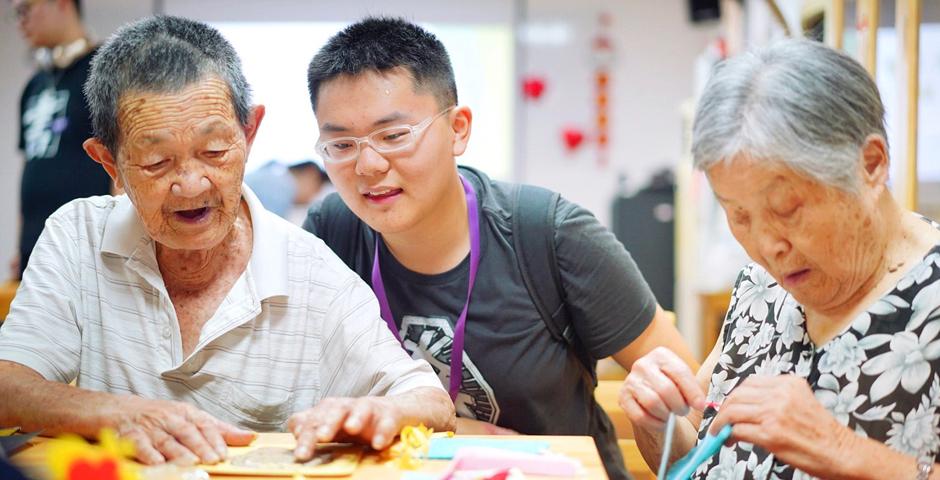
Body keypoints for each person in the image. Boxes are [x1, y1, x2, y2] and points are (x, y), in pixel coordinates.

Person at [0, 15, 454, 466]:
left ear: (250, 133)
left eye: (215, 152)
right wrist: (109, 413)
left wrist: (375, 412)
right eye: (157, 161)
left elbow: (429, 401)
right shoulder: (77, 237)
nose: (192, 184)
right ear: (109, 164)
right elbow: (7, 383)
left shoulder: (311, 271)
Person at [302, 17, 696, 480]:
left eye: (394, 136)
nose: (367, 165)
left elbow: (690, 409)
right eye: (341, 144)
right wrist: (455, 429)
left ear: (458, 129)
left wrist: (659, 416)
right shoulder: (331, 234)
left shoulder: (550, 235)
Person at [619, 39, 940, 479]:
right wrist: (659, 421)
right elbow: (695, 452)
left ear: (870, 165)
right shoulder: (760, 285)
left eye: (787, 208)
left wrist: (842, 449)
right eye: (739, 215)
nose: (768, 246)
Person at [12, 0, 112, 280]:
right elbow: (29, 168)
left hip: (89, 250)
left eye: (25, 9)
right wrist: (21, 248)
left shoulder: (105, 71)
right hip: (35, 251)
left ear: (61, 4)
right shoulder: (34, 85)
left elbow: (124, 158)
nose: (21, 21)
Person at [246, 159, 331, 223]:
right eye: (316, 191)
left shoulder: (269, 176)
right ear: (312, 174)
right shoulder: (281, 190)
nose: (310, 200)